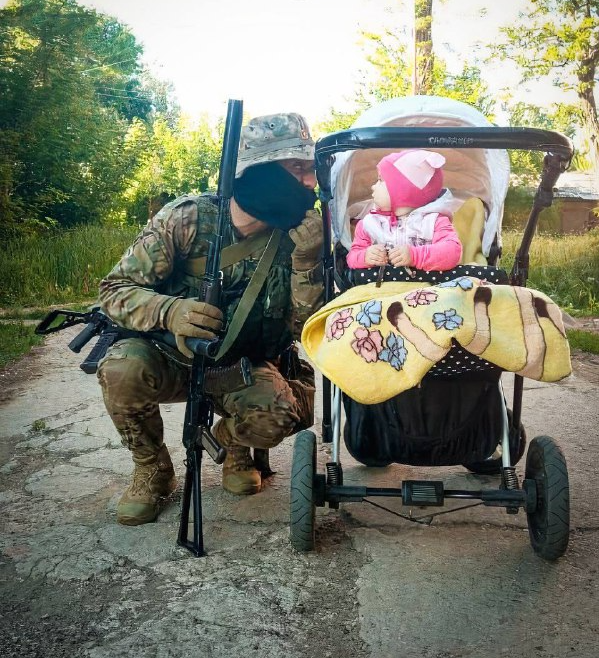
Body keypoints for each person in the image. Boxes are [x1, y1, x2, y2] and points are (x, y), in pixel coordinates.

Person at [97, 113, 324, 526]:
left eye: (312, 169)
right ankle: (152, 468)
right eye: (297, 168)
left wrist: (307, 264)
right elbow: (114, 290)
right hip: (171, 355)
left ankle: (233, 447)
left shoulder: (303, 236)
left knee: (277, 412)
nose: (310, 182)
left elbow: (307, 330)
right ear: (258, 172)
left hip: (243, 364)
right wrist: (170, 311)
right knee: (121, 369)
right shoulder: (186, 219)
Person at [346, 149, 462, 272]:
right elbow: (351, 258)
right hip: (383, 283)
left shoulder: (433, 222)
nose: (373, 186)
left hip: (425, 283)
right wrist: (365, 257)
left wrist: (415, 256)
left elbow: (453, 252)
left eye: (380, 180)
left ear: (401, 191)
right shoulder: (368, 224)